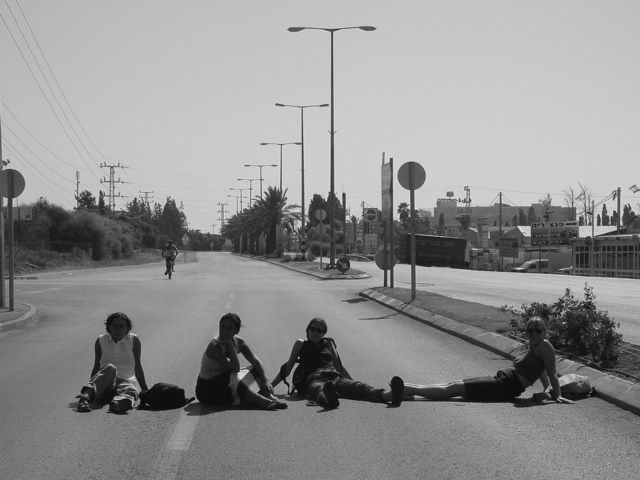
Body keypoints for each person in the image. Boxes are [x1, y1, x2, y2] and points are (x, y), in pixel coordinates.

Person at [402, 317, 575, 404]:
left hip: (505, 387)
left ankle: (407, 389)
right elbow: (541, 370)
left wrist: (557, 395)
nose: (533, 334)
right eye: (530, 331)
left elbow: (551, 372)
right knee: (453, 384)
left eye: (537, 330)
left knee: (453, 390)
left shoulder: (545, 345)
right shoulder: (535, 346)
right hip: (502, 380)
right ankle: (408, 388)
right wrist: (547, 389)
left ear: (544, 331)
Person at [271, 317, 405, 409]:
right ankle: (329, 400)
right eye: (313, 329)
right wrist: (269, 387)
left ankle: (388, 395)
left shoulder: (327, 344)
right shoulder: (301, 344)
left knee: (359, 387)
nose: (315, 332)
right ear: (308, 330)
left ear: (323, 333)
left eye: (320, 330)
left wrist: (332, 347)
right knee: (319, 390)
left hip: (333, 375)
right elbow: (287, 368)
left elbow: (339, 367)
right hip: (314, 379)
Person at [195, 313, 287, 410]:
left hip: (226, 384)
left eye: (229, 328)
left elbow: (255, 361)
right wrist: (230, 346)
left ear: (237, 331)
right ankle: (262, 401)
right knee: (232, 376)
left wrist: (266, 381)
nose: (224, 331)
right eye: (222, 327)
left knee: (255, 369)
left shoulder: (239, 342)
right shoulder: (214, 346)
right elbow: (235, 369)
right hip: (206, 389)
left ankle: (267, 395)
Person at [76, 312, 149, 413]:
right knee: (110, 368)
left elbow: (138, 366)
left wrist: (145, 391)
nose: (118, 330)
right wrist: (91, 387)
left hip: (126, 382)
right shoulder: (101, 340)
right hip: (105, 385)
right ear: (109, 328)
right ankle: (85, 398)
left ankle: (119, 404)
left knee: (131, 391)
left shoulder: (133, 340)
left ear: (128, 328)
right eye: (115, 326)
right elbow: (97, 365)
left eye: (122, 327)